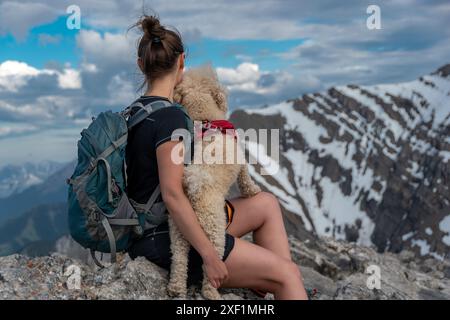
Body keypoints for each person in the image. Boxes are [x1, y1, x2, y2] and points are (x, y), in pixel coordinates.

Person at [126, 14, 308, 300]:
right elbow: (173, 195)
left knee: (265, 204)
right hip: (165, 239)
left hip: (150, 229)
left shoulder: (135, 112)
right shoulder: (170, 117)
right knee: (289, 275)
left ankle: (264, 279)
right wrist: (210, 256)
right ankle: (278, 278)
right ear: (182, 62)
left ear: (141, 65)